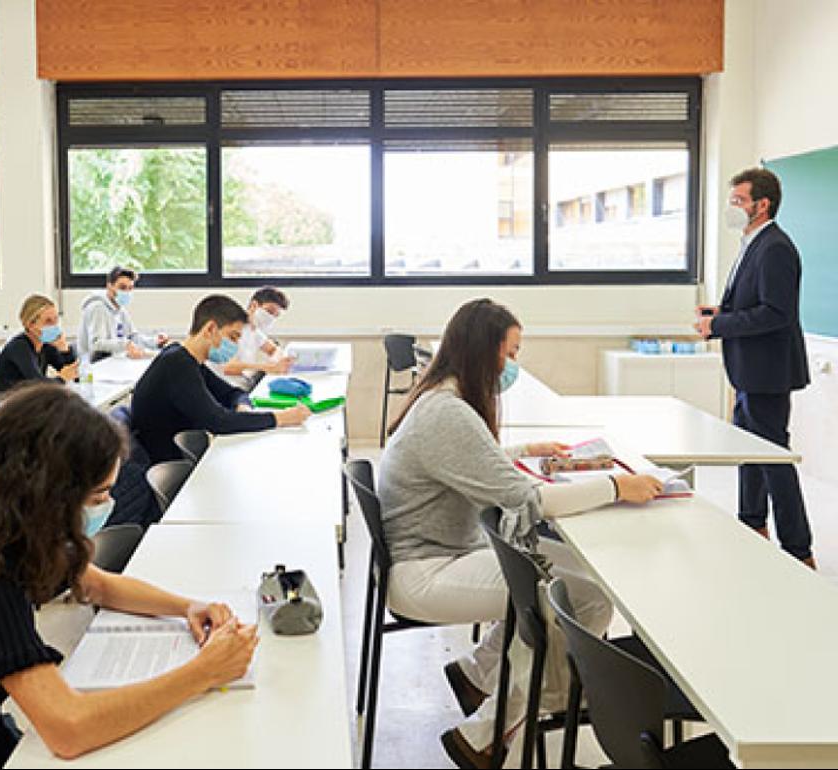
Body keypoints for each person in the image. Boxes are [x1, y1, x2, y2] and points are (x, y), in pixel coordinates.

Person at [0, 383, 258, 767]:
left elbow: (98, 584)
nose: (108, 505)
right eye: (97, 497)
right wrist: (202, 672)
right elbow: (68, 728)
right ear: (48, 493)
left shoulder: (2, 523)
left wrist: (188, 606)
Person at [377, 298, 663, 769]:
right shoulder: (448, 413)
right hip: (423, 572)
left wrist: (525, 449)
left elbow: (468, 459)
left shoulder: (442, 400)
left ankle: (482, 676)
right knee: (578, 600)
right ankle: (493, 727)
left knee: (565, 586)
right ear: (482, 350)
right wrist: (615, 485)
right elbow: (529, 500)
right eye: (509, 354)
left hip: (439, 555)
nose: (512, 366)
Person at [695, 167, 814, 568]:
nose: (733, 208)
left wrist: (719, 325)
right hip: (748, 369)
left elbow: (776, 313)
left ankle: (798, 550)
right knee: (748, 451)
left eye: (739, 201)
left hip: (767, 372)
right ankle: (753, 525)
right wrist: (719, 313)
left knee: (774, 459)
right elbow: (752, 303)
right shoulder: (752, 243)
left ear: (762, 205)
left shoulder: (775, 247)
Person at [129, 294, 310, 464]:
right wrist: (280, 418)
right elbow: (217, 421)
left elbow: (233, 393)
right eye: (232, 337)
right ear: (210, 329)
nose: (235, 346)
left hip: (187, 455)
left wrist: (242, 406)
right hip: (173, 464)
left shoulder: (190, 361)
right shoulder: (177, 364)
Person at [0, 294, 79, 392]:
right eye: (48, 321)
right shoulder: (19, 347)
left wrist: (64, 349)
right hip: (3, 402)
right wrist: (61, 378)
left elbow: (75, 375)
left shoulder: (46, 345)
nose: (54, 326)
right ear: (30, 324)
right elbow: (38, 384)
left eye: (56, 320)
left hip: (26, 401)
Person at [77, 266, 166, 363]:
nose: (127, 292)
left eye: (130, 288)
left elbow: (133, 337)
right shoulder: (97, 308)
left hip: (111, 362)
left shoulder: (120, 309)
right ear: (109, 286)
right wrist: (125, 344)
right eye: (122, 287)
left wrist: (155, 342)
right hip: (93, 367)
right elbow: (96, 344)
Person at [215, 286, 295, 388]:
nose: (271, 318)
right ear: (254, 305)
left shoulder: (254, 331)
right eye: (269, 311)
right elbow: (228, 367)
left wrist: (277, 361)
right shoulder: (231, 328)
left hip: (244, 385)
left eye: (276, 316)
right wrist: (266, 367)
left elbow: (274, 349)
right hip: (227, 387)